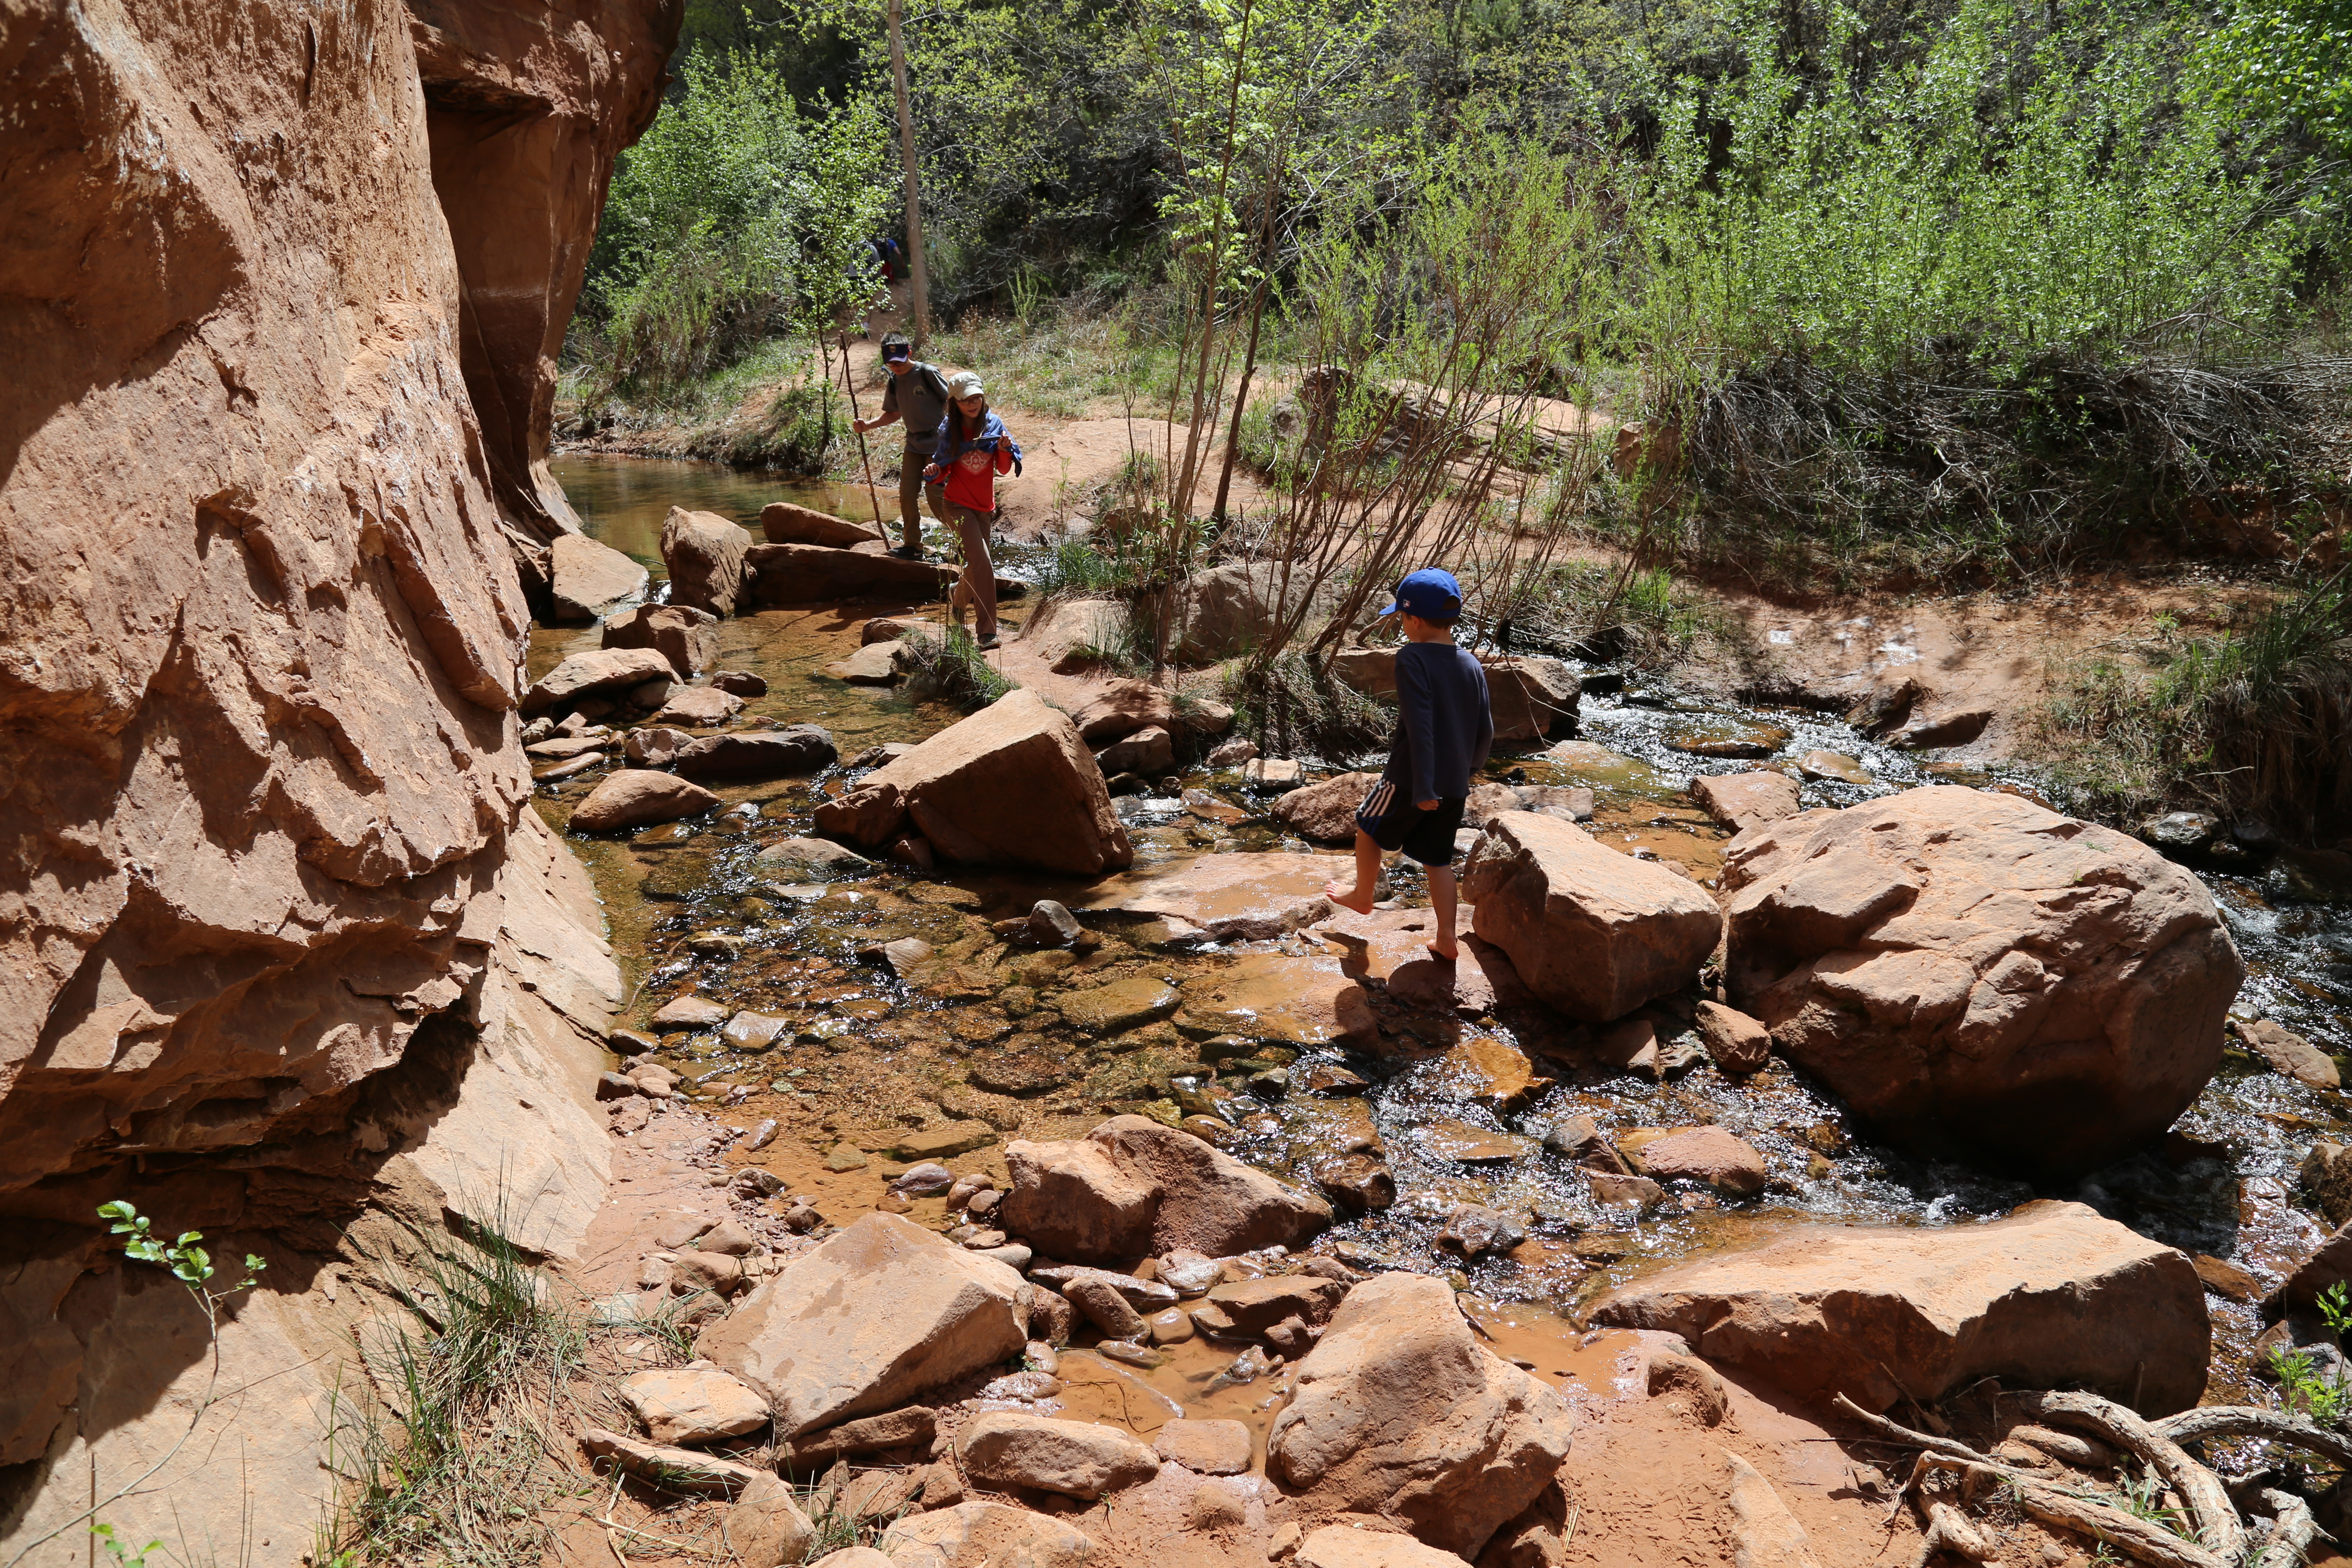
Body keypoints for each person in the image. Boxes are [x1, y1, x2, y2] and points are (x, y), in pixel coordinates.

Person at [1323, 568, 1493, 959]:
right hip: (1454, 782)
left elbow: (1420, 726)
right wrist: (1468, 772)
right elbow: (1485, 725)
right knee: (1438, 860)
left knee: (1367, 826)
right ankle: (1447, 939)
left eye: (1400, 617)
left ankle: (1363, 896)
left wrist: (1425, 787)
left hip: (1410, 778)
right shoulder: (1470, 662)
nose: (1402, 625)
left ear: (1414, 619)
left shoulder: (1411, 658)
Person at [924, 371, 1022, 650]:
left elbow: (1003, 469)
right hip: (956, 506)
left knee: (976, 565)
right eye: (966, 399)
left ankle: (957, 595)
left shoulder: (994, 425)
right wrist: (933, 472)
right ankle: (987, 634)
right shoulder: (949, 430)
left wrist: (1004, 450)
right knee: (984, 564)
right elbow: (941, 471)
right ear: (954, 401)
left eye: (977, 397)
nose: (973, 403)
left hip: (984, 509)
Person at [850, 332, 951, 559]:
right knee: (906, 495)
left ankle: (965, 540)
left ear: (910, 354)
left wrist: (954, 436)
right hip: (913, 444)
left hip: (938, 445)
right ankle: (913, 545)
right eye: (890, 363)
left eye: (899, 361)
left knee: (936, 495)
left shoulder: (928, 373)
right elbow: (893, 413)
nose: (895, 366)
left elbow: (952, 401)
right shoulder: (894, 380)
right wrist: (867, 426)